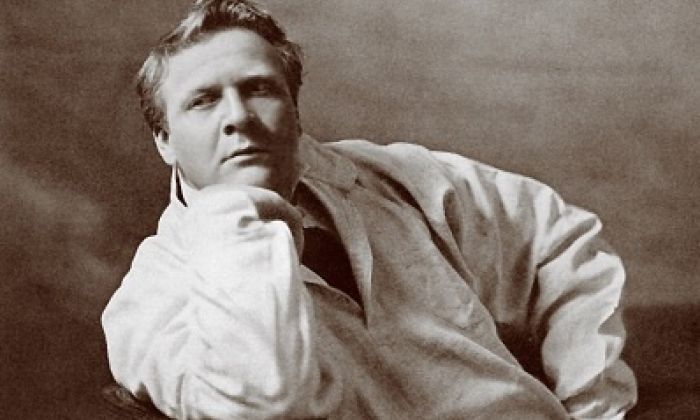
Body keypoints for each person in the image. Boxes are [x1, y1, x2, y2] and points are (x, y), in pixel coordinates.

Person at [102, 0, 637, 418]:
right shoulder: (151, 299)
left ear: (294, 111)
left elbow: (561, 240)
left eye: (259, 89)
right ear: (165, 141)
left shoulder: (393, 176)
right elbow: (261, 402)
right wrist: (235, 213)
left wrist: (592, 406)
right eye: (203, 101)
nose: (238, 116)